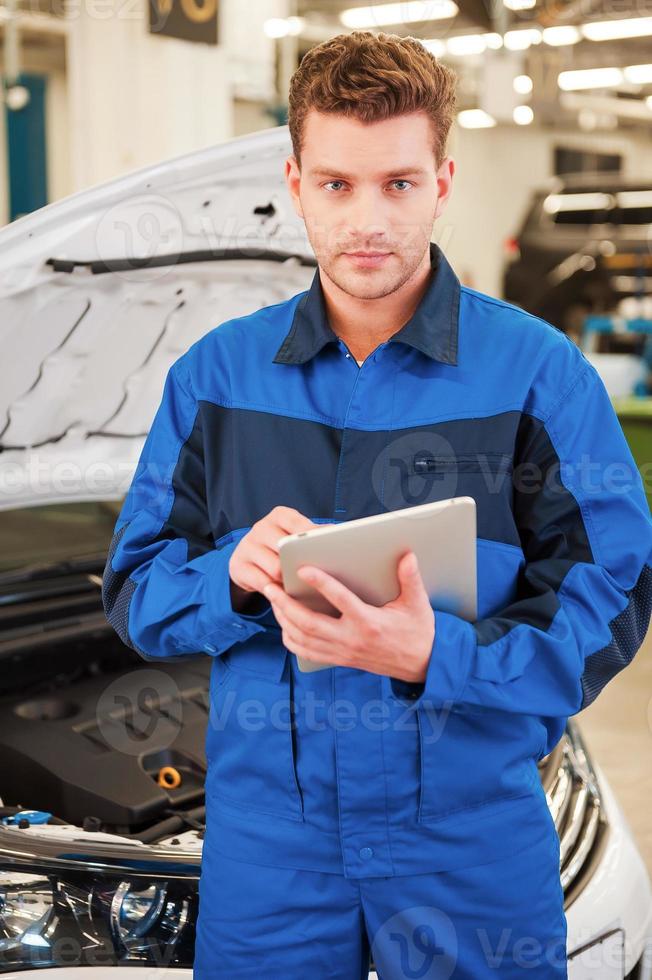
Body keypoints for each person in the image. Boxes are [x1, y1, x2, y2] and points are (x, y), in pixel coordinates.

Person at [101, 30, 652, 979]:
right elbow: (135, 590)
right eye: (337, 184)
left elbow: (615, 596)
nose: (368, 220)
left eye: (398, 184)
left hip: (467, 834)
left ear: (443, 180)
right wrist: (227, 578)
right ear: (295, 179)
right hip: (272, 847)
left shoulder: (537, 375)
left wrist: (440, 654)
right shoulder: (214, 378)